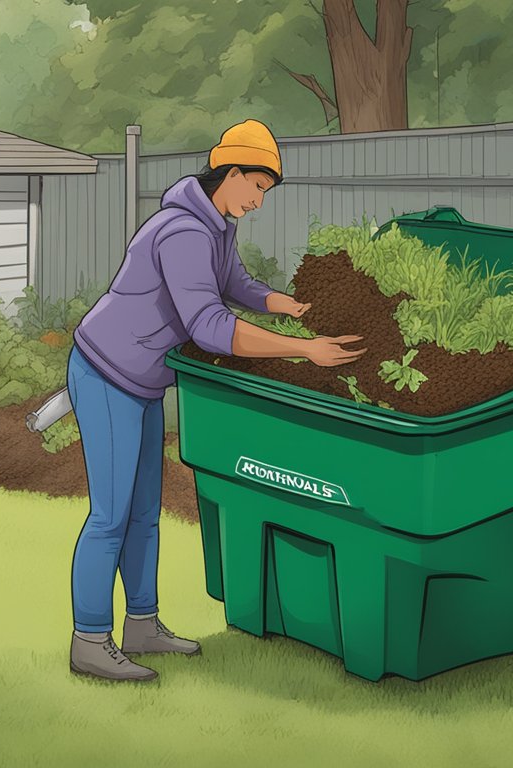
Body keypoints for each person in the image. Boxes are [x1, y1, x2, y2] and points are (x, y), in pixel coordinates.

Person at [65, 119, 365, 681]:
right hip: (107, 372)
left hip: (143, 380)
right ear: (229, 173)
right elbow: (207, 325)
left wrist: (288, 306)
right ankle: (89, 639)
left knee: (143, 514)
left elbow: (235, 285)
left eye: (264, 193)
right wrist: (304, 351)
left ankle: (143, 625)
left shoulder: (215, 225)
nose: (257, 202)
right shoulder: (182, 231)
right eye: (255, 187)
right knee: (109, 515)